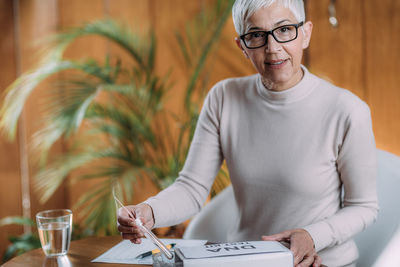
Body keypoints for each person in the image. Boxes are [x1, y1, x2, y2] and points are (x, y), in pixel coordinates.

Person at [117, 1, 379, 266]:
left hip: (320, 261)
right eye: (256, 35)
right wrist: (150, 211)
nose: (273, 48)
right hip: (245, 259)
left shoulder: (347, 110)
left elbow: (364, 206)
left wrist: (312, 236)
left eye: (285, 30)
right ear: (242, 46)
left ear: (306, 33)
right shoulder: (224, 98)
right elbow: (192, 188)